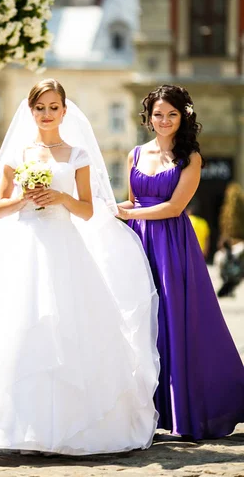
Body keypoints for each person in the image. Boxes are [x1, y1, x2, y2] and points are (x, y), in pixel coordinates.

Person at [0, 78, 160, 456]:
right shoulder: (18, 154)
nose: (47, 114)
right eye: (40, 107)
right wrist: (23, 198)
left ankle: (70, 428)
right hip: (24, 247)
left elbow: (88, 210)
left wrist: (60, 197)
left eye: (54, 107)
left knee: (65, 327)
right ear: (30, 110)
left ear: (64, 111)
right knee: (18, 328)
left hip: (65, 247)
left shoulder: (78, 155)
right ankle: (20, 427)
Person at [117, 84, 244, 441]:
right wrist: (109, 211)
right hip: (139, 243)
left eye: (172, 114)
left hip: (173, 244)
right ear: (149, 116)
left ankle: (193, 408)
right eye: (158, 114)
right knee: (142, 321)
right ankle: (148, 409)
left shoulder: (192, 157)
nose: (164, 120)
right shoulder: (135, 154)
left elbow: (174, 207)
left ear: (183, 116)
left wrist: (129, 212)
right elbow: (132, 202)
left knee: (176, 320)